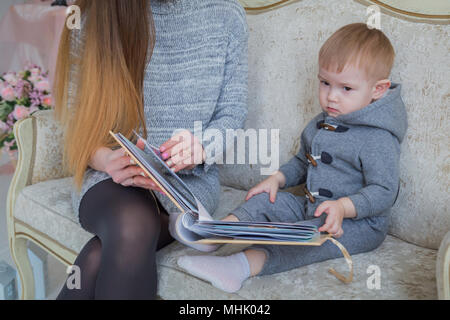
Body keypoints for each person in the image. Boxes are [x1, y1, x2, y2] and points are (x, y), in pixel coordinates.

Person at [177, 23, 408, 293]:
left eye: (346, 88)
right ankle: (215, 234)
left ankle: (238, 267)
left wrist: (343, 207)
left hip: (357, 224)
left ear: (378, 90)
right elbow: (302, 161)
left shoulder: (377, 137)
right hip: (312, 205)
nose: (331, 96)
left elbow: (385, 191)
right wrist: (278, 178)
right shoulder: (322, 123)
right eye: (325, 83)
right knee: (265, 199)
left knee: (306, 237)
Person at [53, 0, 248, 299]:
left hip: (187, 186)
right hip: (110, 180)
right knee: (132, 223)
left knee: (97, 257)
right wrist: (106, 159)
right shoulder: (94, 15)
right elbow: (77, 123)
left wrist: (201, 148)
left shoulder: (225, 13)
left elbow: (232, 112)